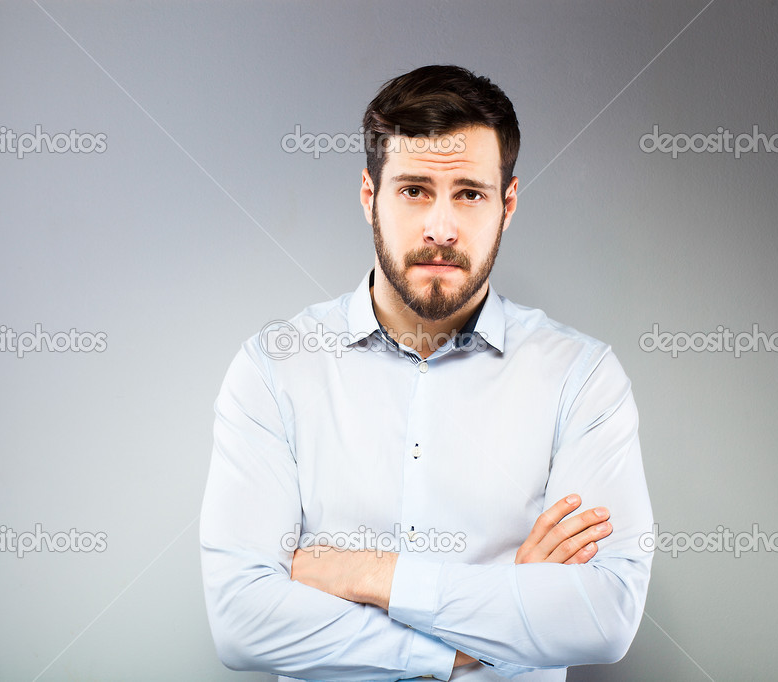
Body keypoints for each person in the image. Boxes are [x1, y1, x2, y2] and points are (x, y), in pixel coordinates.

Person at [200, 64, 653, 681]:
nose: (441, 228)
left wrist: (367, 575)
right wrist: (492, 619)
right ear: (369, 196)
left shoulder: (582, 377)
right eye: (414, 190)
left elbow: (605, 617)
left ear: (507, 204)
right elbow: (242, 621)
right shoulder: (274, 368)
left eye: (469, 193)